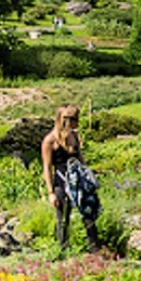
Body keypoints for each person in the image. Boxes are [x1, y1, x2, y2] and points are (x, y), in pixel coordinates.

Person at [41, 105, 100, 252]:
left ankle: (95, 250)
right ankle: (63, 250)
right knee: (63, 219)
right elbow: (47, 168)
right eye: (75, 120)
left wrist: (89, 176)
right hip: (61, 182)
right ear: (66, 120)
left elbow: (80, 159)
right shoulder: (50, 141)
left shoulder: (74, 136)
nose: (78, 123)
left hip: (78, 182)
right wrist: (50, 193)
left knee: (88, 215)